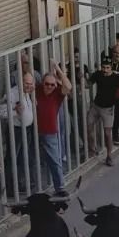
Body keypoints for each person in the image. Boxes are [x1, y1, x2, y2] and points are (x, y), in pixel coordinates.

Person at [36, 64, 73, 194]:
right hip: (32, 130)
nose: (50, 87)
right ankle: (34, 187)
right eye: (47, 84)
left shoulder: (57, 94)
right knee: (31, 159)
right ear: (42, 83)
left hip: (49, 132)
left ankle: (60, 188)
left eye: (52, 85)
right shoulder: (37, 89)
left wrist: (57, 69)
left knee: (54, 160)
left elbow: (68, 86)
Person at [87, 57, 119, 165]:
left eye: (107, 68)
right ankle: (92, 150)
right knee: (89, 127)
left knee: (107, 133)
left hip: (108, 109)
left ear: (111, 68)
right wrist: (84, 78)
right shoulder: (98, 74)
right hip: (96, 106)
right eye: (103, 67)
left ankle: (109, 156)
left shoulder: (116, 77)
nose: (105, 70)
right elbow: (88, 85)